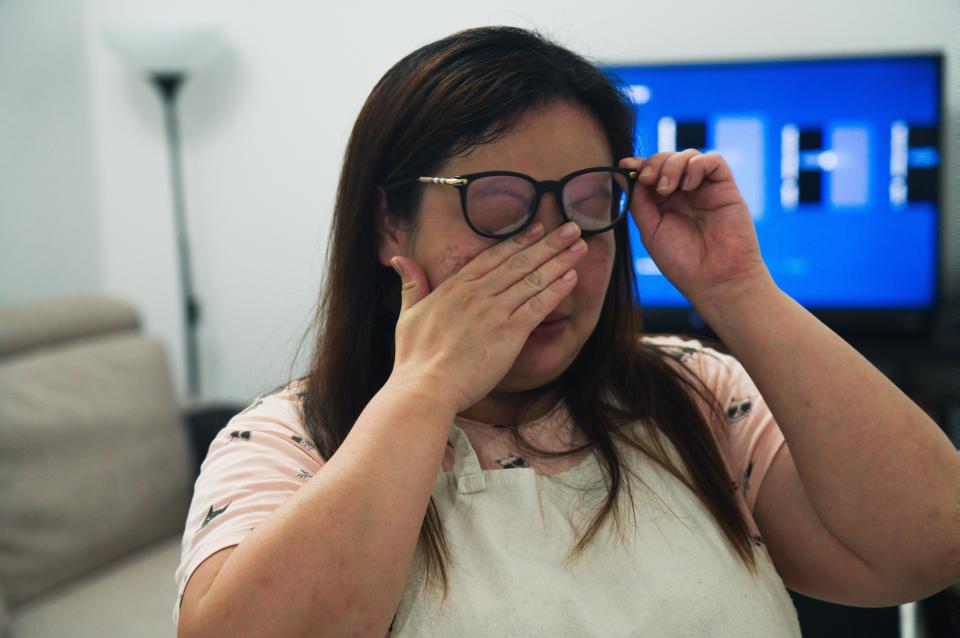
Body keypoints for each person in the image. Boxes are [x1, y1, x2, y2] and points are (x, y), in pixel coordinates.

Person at [173, 26, 958, 638]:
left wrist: (739, 291)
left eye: (588, 207)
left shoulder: (696, 394)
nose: (557, 260)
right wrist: (426, 389)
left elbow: (926, 543)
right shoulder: (289, 438)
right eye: (500, 208)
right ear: (390, 224)